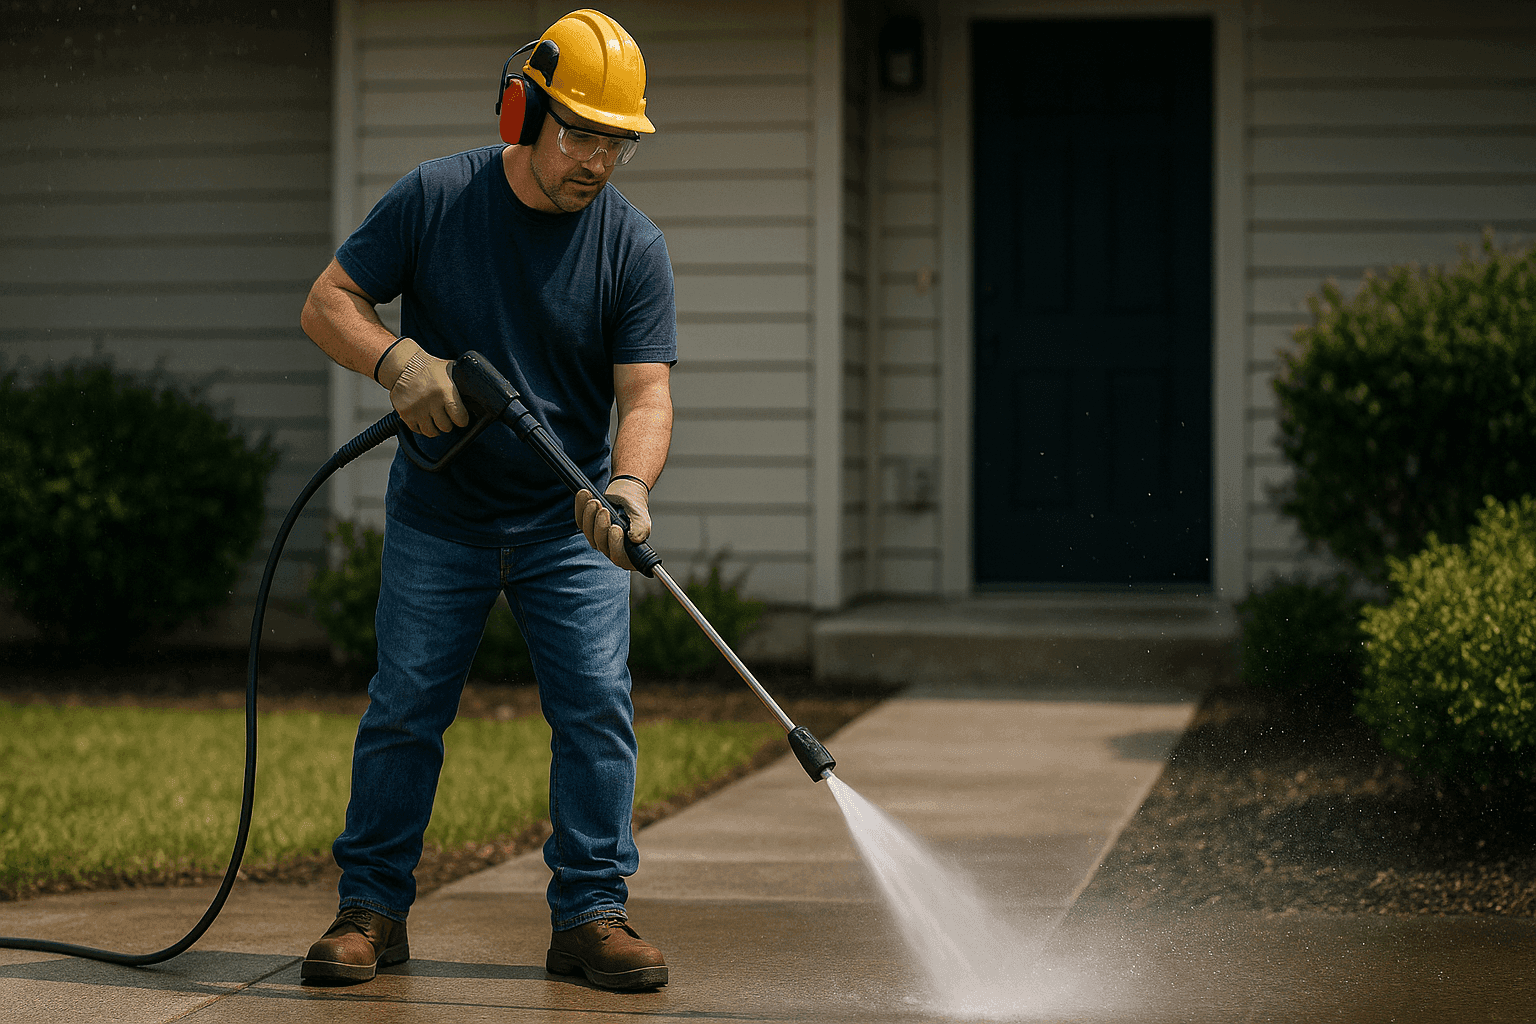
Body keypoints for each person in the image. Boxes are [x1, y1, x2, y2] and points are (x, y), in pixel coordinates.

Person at [295, 9, 675, 991]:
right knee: (405, 709)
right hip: (440, 515)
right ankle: (370, 908)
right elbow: (327, 300)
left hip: (563, 524)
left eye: (616, 141)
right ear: (526, 109)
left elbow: (646, 393)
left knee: (595, 710)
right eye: (580, 132)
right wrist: (396, 359)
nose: (597, 159)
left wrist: (626, 486)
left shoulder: (631, 247)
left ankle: (590, 916)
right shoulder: (436, 197)